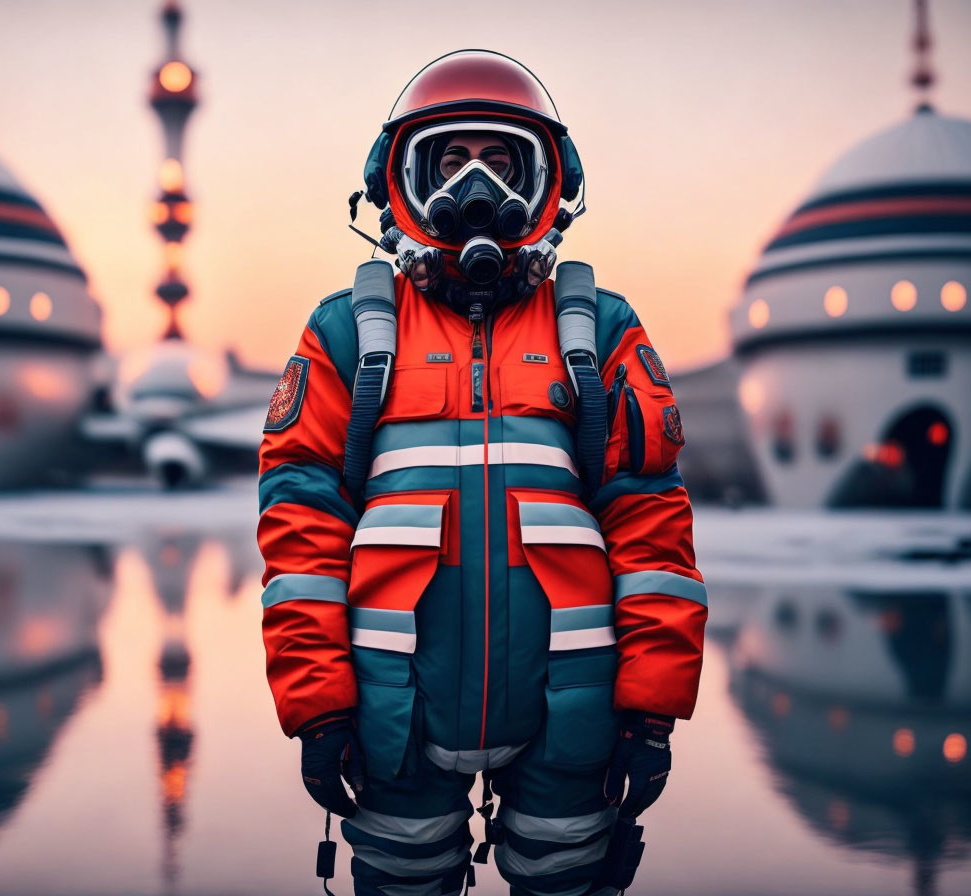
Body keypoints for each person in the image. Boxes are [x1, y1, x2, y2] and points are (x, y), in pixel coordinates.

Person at [258, 49, 707, 896]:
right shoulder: (354, 333)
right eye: (451, 162)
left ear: (545, 187)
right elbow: (300, 524)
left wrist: (650, 709)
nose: (476, 190)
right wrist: (318, 704)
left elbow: (651, 522)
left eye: (501, 164)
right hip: (394, 718)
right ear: (404, 182)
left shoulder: (598, 330)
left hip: (572, 719)